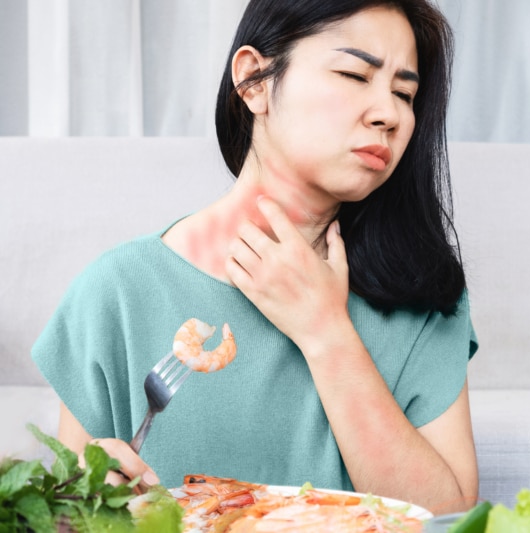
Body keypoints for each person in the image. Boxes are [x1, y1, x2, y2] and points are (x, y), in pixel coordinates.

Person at [32, 0, 478, 515]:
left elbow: (450, 520)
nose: (390, 114)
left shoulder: (425, 294)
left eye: (405, 93)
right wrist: (88, 498)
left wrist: (327, 334)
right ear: (254, 80)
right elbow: (65, 517)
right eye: (355, 74)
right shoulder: (116, 291)